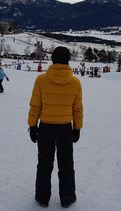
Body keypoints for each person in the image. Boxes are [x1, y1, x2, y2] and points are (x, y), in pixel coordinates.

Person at [28, 46, 83, 208]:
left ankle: (42, 197)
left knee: (44, 163)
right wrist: (77, 128)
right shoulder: (75, 82)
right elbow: (77, 108)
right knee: (66, 164)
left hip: (46, 128)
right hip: (65, 128)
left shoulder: (41, 80)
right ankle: (67, 197)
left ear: (52, 60)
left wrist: (32, 125)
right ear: (68, 60)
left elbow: (35, 106)